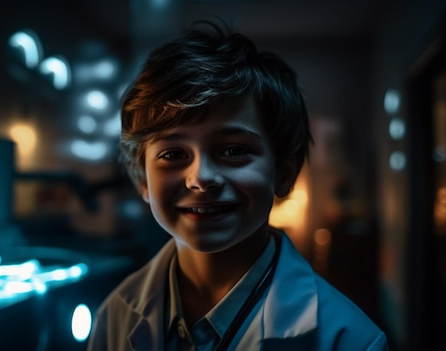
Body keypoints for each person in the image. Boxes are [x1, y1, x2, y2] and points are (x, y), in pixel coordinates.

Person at [87, 20, 388, 351]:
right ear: (143, 179)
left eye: (233, 150)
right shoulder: (114, 316)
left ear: (284, 172)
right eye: (173, 153)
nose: (201, 177)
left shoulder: (351, 340)